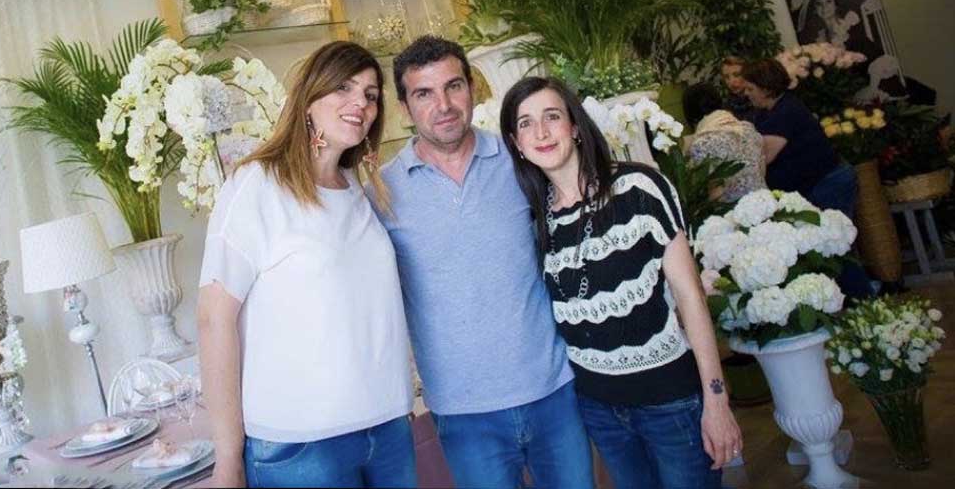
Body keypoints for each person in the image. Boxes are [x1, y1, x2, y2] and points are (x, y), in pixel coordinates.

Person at [499, 76, 742, 489]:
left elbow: (690, 296)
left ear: (575, 126)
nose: (541, 132)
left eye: (552, 116)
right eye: (525, 123)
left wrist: (716, 399)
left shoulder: (638, 187)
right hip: (599, 410)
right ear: (515, 142)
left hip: (670, 400)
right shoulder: (536, 221)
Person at [374, 36, 593, 489]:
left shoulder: (522, 162)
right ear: (403, 107)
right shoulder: (382, 193)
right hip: (463, 413)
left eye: (454, 86)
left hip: (552, 390)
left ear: (473, 88)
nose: (444, 105)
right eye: (424, 94)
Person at [197, 41, 414, 488]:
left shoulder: (358, 189)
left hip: (388, 427)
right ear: (309, 99)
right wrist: (227, 457)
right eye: (344, 88)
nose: (360, 103)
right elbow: (214, 321)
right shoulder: (257, 184)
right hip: (302, 444)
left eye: (371, 95)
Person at [740, 58, 874, 299]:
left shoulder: (786, 112)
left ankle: (863, 300)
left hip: (828, 183)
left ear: (766, 87)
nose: (746, 94)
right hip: (816, 184)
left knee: (834, 246)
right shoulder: (767, 112)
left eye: (750, 88)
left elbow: (765, 156)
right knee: (830, 246)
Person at [684, 82, 766, 202]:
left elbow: (706, 193)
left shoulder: (702, 144)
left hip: (732, 210)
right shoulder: (748, 129)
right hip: (765, 202)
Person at [720, 56, 753, 120]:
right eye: (726, 77)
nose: (731, 81)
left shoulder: (758, 101)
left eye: (736, 75)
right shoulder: (726, 105)